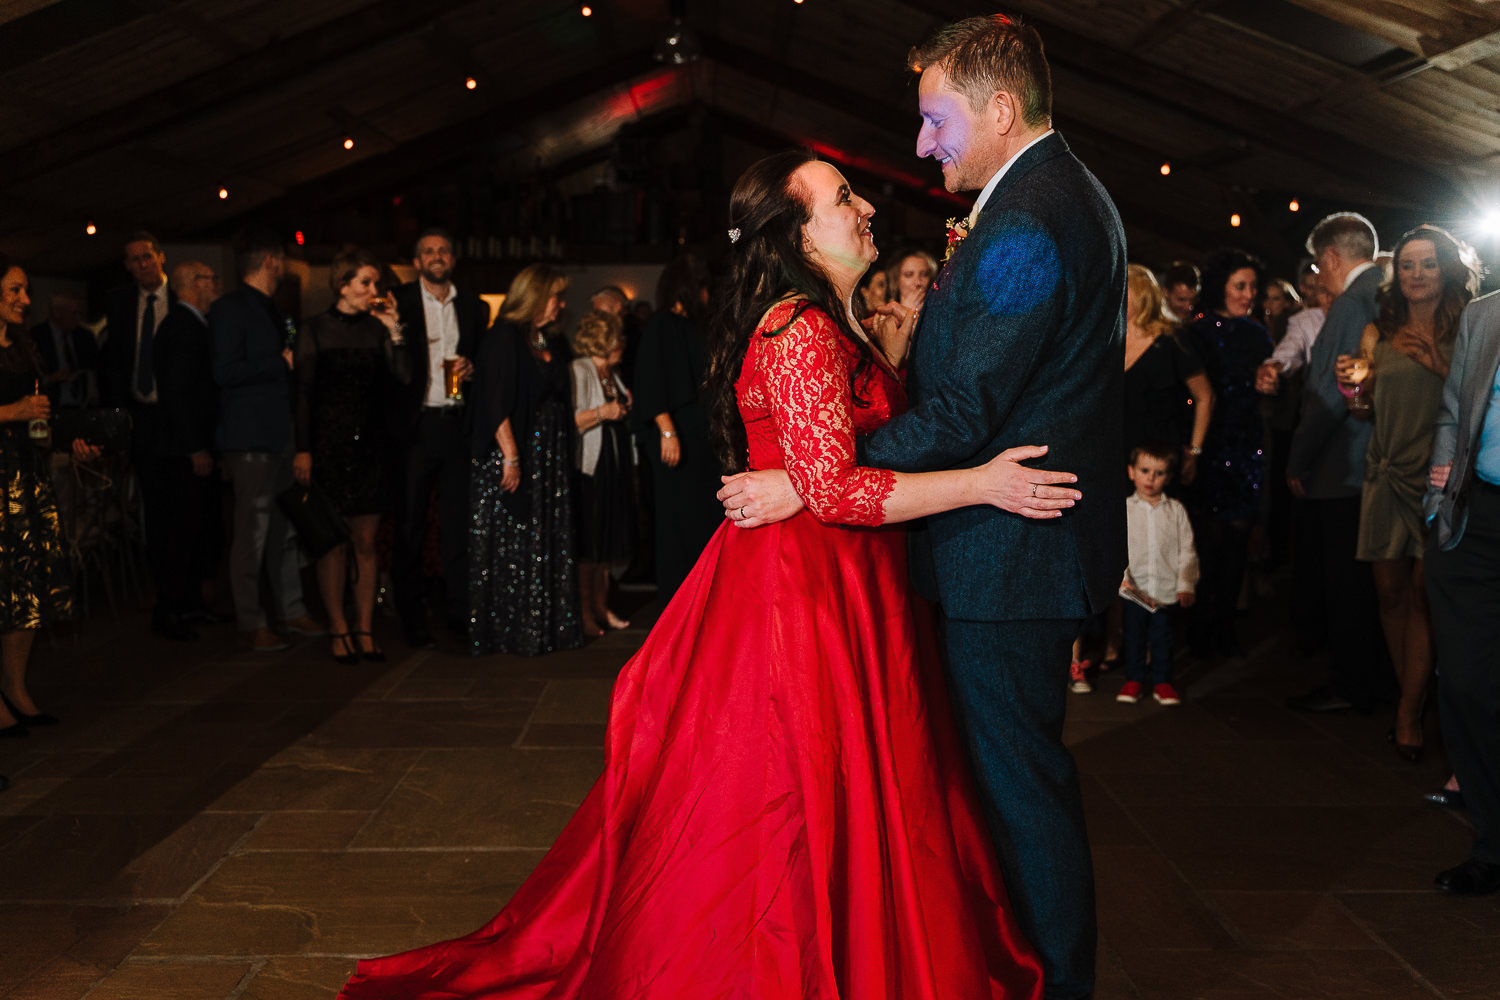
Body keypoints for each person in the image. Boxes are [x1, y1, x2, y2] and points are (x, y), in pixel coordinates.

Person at [339, 146, 1055, 1000]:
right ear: (794, 235)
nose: (865, 207)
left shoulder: (837, 317)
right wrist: (983, 483)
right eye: (844, 197)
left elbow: (825, 466)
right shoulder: (795, 327)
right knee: (788, 800)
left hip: (852, 583)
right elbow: (835, 491)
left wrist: (803, 475)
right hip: (805, 594)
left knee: (851, 791)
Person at [719, 16, 1126, 997]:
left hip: (1007, 551)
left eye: (935, 120)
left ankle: (1053, 982)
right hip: (1005, 543)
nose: (920, 145)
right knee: (998, 782)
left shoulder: (1029, 218)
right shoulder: (1047, 195)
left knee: (1016, 789)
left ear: (998, 108)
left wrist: (811, 474)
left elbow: (967, 407)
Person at [1344, 226, 1478, 762]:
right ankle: (1412, 699)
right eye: (1406, 266)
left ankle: (1407, 716)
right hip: (1385, 474)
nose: (1416, 275)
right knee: (1390, 595)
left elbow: (1479, 403)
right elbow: (1365, 407)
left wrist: (1436, 363)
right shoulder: (1379, 331)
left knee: (1424, 595)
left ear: (1446, 268)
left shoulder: (1470, 326)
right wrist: (1352, 388)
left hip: (1437, 481)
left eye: (1426, 264)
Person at [1284, 212, 1386, 714]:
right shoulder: (1385, 289)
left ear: (1330, 258)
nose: (1318, 277)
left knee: (1345, 584)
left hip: (1343, 464)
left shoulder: (1349, 303)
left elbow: (1329, 390)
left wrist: (1297, 460)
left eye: (1319, 267)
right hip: (1374, 460)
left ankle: (1352, 684)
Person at [293, 248, 412, 663]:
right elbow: (303, 394)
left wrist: (396, 331)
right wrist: (303, 449)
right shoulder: (315, 329)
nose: (374, 291)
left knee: (366, 542)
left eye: (376, 283)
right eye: (366, 283)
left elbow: (404, 380)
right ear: (343, 285)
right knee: (332, 545)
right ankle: (337, 626)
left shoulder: (378, 330)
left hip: (371, 447)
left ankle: (363, 626)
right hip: (329, 447)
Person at [212, 228, 324, 652]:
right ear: (272, 261)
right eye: (283, 260)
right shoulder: (230, 308)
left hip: (279, 436)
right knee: (252, 532)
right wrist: (278, 363)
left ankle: (292, 610)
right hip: (250, 438)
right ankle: (250, 619)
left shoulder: (274, 310)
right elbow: (224, 372)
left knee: (285, 530)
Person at [1423, 287, 1500, 896]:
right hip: (1476, 521)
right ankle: (1493, 845)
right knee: (1469, 686)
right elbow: (1453, 412)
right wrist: (1435, 506)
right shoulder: (1485, 314)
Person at [0, 256, 97, 737]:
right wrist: (10, 411)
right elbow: (18, 411)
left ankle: (15, 689)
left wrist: (64, 440)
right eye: (14, 291)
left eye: (25, 291)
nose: (24, 300)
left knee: (28, 588)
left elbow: (37, 418)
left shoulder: (23, 346)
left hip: (26, 476)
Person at [468, 264, 583, 657]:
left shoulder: (546, 338)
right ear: (533, 296)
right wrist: (512, 457)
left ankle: (543, 629)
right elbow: (494, 402)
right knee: (514, 547)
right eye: (555, 296)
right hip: (515, 454)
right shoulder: (503, 337)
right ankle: (511, 632)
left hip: (547, 458)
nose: (561, 304)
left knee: (542, 540)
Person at [390, 229, 483, 648]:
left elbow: (485, 363)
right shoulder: (400, 302)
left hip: (456, 425)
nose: (436, 256)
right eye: (427, 251)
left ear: (453, 258)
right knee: (409, 525)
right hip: (416, 426)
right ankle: (412, 619)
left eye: (443, 249)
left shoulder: (475, 308)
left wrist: (473, 369)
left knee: (457, 524)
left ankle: (460, 615)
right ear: (416, 262)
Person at [1181, 248, 1272, 658]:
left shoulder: (1257, 334)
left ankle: (1224, 628)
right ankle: (1198, 628)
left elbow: (1267, 389)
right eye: (1241, 285)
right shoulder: (1195, 331)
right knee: (1204, 539)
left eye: (1253, 286)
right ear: (1222, 286)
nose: (1248, 293)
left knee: (1237, 539)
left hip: (1245, 440)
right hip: (1208, 441)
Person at [632, 254, 722, 600]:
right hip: (676, 434)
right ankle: (676, 599)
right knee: (677, 519)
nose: (706, 294)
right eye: (702, 287)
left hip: (700, 436)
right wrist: (667, 432)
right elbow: (651, 382)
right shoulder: (662, 325)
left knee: (701, 516)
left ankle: (701, 598)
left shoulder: (694, 326)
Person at [99, 231, 176, 632]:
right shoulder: (119, 302)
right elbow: (114, 364)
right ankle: (162, 593)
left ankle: (185, 591)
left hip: (173, 416)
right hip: (140, 416)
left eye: (147, 257)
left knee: (181, 506)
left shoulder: (177, 300)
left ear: (160, 258)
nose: (142, 265)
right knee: (153, 508)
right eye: (134, 260)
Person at [150, 261, 222, 639]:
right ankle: (175, 609)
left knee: (194, 528)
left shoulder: (192, 325)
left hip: (187, 444)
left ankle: (190, 605)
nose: (216, 286)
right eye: (211, 279)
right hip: (181, 449)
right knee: (180, 530)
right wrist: (195, 446)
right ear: (195, 284)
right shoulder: (182, 328)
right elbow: (179, 395)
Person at [1116, 443, 1198, 707]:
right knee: (1134, 636)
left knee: (1162, 638)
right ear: (1131, 472)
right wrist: (1122, 578)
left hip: (1164, 590)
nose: (1151, 478)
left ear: (1169, 477)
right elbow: (1117, 548)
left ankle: (1162, 681)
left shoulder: (1175, 511)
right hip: (1134, 590)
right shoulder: (1123, 510)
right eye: (1145, 470)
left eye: (1159, 473)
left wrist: (1186, 583)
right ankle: (1134, 679)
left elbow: (1187, 549)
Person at [569, 310, 634, 636]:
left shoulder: (612, 371)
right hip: (591, 467)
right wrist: (604, 412)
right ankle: (584, 612)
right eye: (616, 338)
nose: (622, 343)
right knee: (591, 541)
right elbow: (573, 421)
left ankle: (601, 605)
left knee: (608, 539)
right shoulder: (580, 369)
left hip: (614, 462)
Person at [1122, 263, 1213, 480]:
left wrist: (1194, 451)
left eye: (1122, 289)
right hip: (1116, 452)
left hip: (1159, 459)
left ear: (1142, 295)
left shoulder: (1172, 339)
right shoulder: (1107, 341)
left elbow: (1205, 397)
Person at [32, 291, 97, 409]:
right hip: (49, 407)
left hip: (82, 407)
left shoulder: (85, 336)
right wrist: (51, 378)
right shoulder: (35, 336)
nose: (79, 318)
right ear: (57, 312)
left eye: (81, 313)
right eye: (74, 313)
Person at [887, 247, 937, 316]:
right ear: (896, 280)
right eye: (909, 275)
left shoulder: (939, 313)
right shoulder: (884, 316)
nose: (918, 282)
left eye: (924, 274)